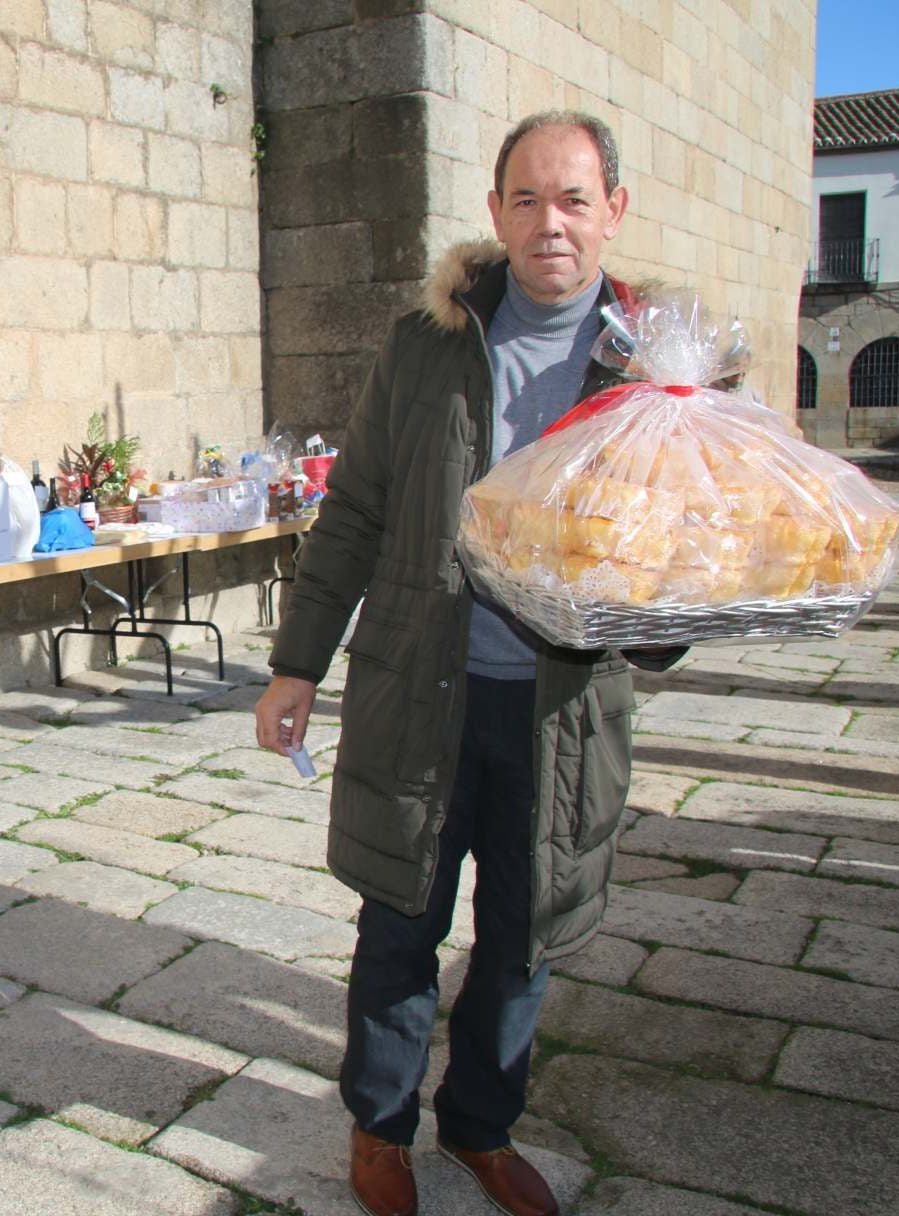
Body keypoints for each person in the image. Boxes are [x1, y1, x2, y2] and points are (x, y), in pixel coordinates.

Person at [255, 112, 681, 1216]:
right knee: (400, 919)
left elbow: (688, 543)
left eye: (575, 199)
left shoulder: (655, 370)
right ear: (495, 213)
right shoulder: (428, 344)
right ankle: (379, 1128)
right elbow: (354, 510)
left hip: (562, 710)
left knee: (521, 937)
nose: (551, 223)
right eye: (528, 199)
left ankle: (483, 1126)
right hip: (420, 691)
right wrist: (299, 662)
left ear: (613, 214)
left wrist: (665, 610)